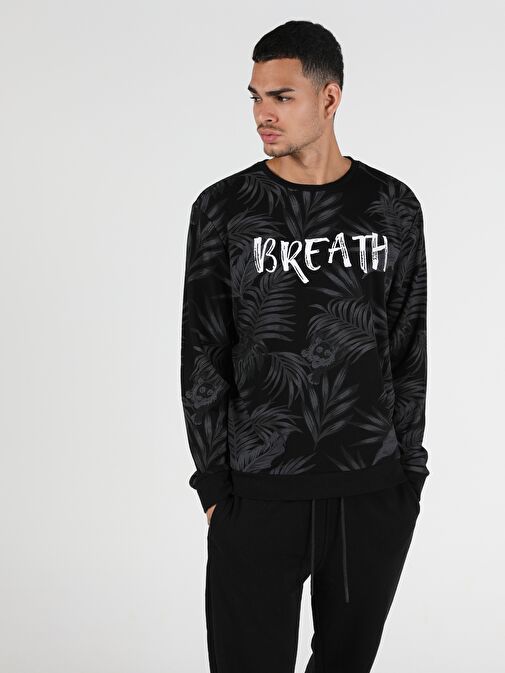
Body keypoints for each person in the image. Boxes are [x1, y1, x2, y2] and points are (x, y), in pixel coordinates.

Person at [180, 19, 429, 673]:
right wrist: (215, 487)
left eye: (281, 97)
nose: (262, 114)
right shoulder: (225, 209)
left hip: (370, 493)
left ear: (329, 97)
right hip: (258, 494)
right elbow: (203, 352)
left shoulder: (392, 207)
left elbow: (407, 345)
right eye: (255, 96)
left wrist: (408, 477)